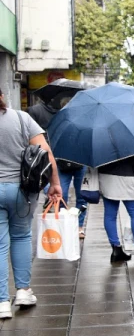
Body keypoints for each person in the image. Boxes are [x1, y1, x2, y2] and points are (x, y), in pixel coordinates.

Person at [0, 86, 62, 319]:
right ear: (2, 96)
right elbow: (45, 152)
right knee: (22, 236)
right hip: (21, 190)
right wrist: (54, 184)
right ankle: (23, 291)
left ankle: (2, 302)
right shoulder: (22, 118)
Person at [30, 94, 88, 237]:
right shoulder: (56, 122)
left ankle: (79, 226)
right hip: (62, 163)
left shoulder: (83, 121)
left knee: (82, 196)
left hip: (80, 163)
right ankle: (62, 223)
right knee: (62, 194)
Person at [100, 154, 134, 264]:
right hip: (128, 178)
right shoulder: (129, 141)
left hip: (106, 178)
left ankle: (116, 250)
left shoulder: (101, 141)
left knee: (110, 215)